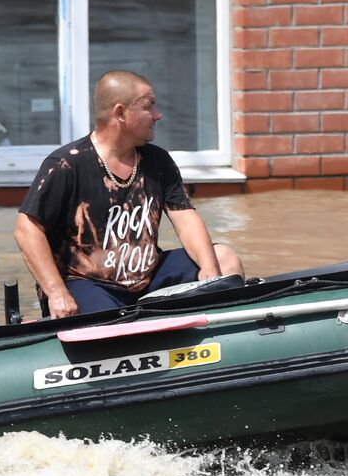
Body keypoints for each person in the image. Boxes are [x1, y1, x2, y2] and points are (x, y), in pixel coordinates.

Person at [15, 69, 243, 318]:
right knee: (115, 321)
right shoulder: (66, 164)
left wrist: (210, 273)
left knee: (225, 258)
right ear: (121, 113)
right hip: (85, 282)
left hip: (148, 275)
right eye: (149, 107)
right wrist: (56, 293)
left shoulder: (158, 160)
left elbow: (185, 218)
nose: (158, 115)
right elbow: (27, 230)